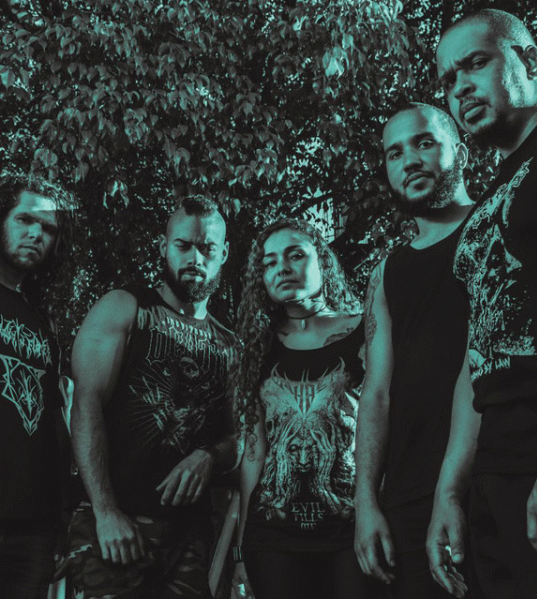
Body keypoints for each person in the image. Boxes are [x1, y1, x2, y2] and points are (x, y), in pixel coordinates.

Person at [427, 8, 537, 599]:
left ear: (529, 59)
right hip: (498, 476)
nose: (459, 88)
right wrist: (451, 492)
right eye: (447, 80)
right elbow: (479, 349)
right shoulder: (489, 203)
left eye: (475, 64)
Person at [66, 196, 238, 598]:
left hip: (189, 538)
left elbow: (244, 438)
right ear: (163, 247)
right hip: (116, 524)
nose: (195, 258)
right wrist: (105, 512)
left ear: (224, 253)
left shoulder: (231, 346)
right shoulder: (124, 308)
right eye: (183, 245)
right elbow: (85, 405)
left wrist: (209, 456)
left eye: (207, 248)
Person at [353, 103, 475, 598]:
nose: (410, 160)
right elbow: (376, 393)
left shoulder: (497, 228)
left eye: (424, 142)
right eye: (395, 153)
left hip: (491, 479)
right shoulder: (386, 272)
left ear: (460, 153)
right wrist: (366, 502)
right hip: (407, 494)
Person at [231, 218, 379, 599]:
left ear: (323, 261)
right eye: (269, 262)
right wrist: (242, 548)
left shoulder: (365, 331)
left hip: (349, 526)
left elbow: (383, 418)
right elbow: (253, 453)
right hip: (273, 535)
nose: (282, 267)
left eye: (295, 255)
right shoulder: (257, 348)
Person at [0, 173, 73, 599]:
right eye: (24, 219)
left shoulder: (43, 323)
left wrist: (61, 518)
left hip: (32, 530)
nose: (35, 234)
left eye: (47, 228)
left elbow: (51, 424)